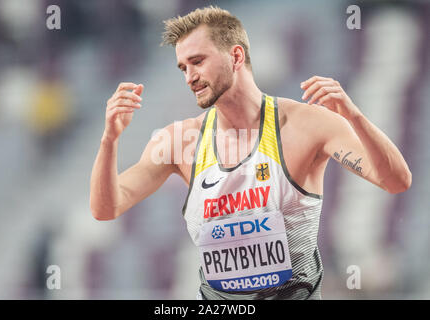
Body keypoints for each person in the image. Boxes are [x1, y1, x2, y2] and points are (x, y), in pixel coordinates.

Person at [89, 6, 412, 300]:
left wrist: (353, 116)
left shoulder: (306, 125)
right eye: (183, 67)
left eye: (198, 61)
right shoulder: (179, 140)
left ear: (236, 56)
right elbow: (106, 208)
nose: (189, 77)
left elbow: (396, 181)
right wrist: (109, 140)